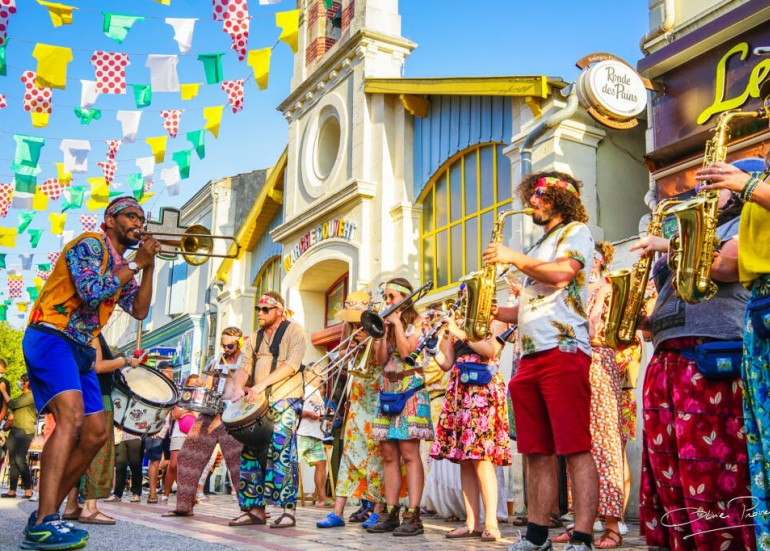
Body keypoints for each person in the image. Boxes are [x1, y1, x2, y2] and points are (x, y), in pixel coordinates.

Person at [21, 196, 158, 550]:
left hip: (81, 346)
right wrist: (135, 263)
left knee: (97, 433)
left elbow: (140, 310)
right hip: (51, 333)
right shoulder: (89, 245)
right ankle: (45, 520)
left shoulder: (123, 264)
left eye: (141, 217)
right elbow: (90, 291)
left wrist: (149, 266)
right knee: (72, 418)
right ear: (109, 220)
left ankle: (43, 515)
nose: (137, 222)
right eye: (130, 215)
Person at [631, 180, 755, 549]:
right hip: (666, 359)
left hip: (710, 358)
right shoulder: (688, 231)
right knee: (668, 467)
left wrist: (668, 245)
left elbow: (725, 267)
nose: (701, 189)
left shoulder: (741, 222)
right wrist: (638, 319)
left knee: (713, 467)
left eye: (713, 184)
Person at [484, 171, 597, 551]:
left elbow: (563, 275)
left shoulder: (576, 231)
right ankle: (536, 537)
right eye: (531, 195)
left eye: (539, 196)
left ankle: (581, 537)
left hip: (564, 351)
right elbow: (534, 304)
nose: (531, 202)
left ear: (558, 200)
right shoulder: (540, 244)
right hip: (529, 356)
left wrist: (512, 257)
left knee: (576, 447)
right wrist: (495, 310)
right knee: (535, 452)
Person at [695, 151, 770, 546]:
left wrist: (749, 185)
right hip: (759, 308)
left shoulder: (754, 189)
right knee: (760, 442)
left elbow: (726, 266)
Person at [554, 242, 624, 547]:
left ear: (598, 260)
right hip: (573, 363)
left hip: (598, 363)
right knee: (578, 444)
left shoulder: (606, 289)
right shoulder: (572, 291)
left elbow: (593, 329)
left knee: (605, 444)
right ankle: (584, 521)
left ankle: (612, 524)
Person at [431, 301, 511, 543]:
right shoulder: (458, 325)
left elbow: (490, 350)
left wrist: (459, 332)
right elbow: (446, 363)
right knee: (465, 459)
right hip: (460, 388)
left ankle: (491, 523)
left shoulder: (495, 320)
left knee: (482, 459)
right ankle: (471, 522)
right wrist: (435, 341)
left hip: (483, 389)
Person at [229, 292, 307, 528]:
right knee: (251, 452)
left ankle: (288, 510)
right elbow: (244, 366)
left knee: (282, 452)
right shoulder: (254, 337)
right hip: (257, 403)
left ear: (280, 311)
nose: (260, 314)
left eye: (266, 309)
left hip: (285, 398)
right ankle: (256, 510)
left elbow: (292, 364)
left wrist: (261, 383)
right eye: (258, 309)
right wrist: (238, 387)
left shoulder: (295, 331)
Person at [316, 291, 389, 529]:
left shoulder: (378, 328)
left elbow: (382, 362)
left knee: (376, 458)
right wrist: (352, 346)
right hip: (357, 402)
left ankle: (378, 509)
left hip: (376, 399)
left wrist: (372, 340)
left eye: (358, 319)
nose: (355, 323)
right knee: (348, 456)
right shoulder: (349, 333)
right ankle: (338, 512)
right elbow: (341, 362)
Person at [367, 278, 433, 537]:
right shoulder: (383, 323)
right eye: (386, 296)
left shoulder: (419, 322)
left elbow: (408, 353)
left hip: (410, 390)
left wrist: (396, 324)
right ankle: (391, 511)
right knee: (388, 454)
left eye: (391, 296)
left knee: (409, 453)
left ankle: (413, 514)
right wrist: (382, 335)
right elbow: (381, 361)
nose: (387, 301)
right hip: (387, 390)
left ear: (405, 297)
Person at [162, 327, 244, 517]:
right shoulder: (218, 360)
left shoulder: (246, 361)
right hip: (211, 413)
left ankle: (251, 510)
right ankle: (184, 505)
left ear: (239, 342)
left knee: (238, 462)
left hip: (235, 414)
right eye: (223, 344)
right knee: (188, 455)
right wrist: (202, 385)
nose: (226, 348)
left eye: (230, 344)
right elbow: (209, 385)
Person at [61, 336, 143, 524]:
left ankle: (71, 505)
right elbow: (97, 366)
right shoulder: (93, 334)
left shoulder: (74, 332)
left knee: (79, 451)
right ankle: (90, 508)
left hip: (80, 396)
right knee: (99, 451)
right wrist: (126, 361)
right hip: (97, 396)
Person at [162, 374, 202, 503]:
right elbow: (175, 414)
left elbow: (201, 416)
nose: (193, 386)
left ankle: (189, 495)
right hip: (179, 433)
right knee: (173, 465)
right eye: (191, 384)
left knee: (190, 467)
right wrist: (188, 410)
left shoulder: (201, 399)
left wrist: (189, 411)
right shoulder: (181, 398)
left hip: (193, 433)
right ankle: (165, 494)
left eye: (196, 383)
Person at [297, 367, 331, 507]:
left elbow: (318, 411)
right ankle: (282, 497)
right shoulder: (302, 388)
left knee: (321, 463)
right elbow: (295, 408)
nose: (320, 378)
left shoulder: (317, 391)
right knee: (291, 463)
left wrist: (325, 421)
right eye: (317, 374)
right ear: (308, 374)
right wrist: (308, 415)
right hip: (302, 433)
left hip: (316, 434)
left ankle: (322, 498)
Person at [1, 374, 37, 499]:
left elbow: (13, 404)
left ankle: (28, 490)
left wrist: (3, 391)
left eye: (21, 381)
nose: (19, 383)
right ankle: (12, 490)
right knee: (12, 461)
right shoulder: (22, 396)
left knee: (20, 460)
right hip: (14, 430)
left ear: (27, 383)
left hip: (24, 432)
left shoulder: (31, 396)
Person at [144, 361, 174, 504]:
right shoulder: (153, 388)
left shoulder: (174, 388)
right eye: (168, 371)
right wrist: (152, 427)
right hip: (156, 428)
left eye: (171, 371)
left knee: (171, 460)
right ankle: (152, 492)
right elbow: (148, 408)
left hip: (171, 428)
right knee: (154, 460)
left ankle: (167, 490)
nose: (171, 373)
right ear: (160, 372)